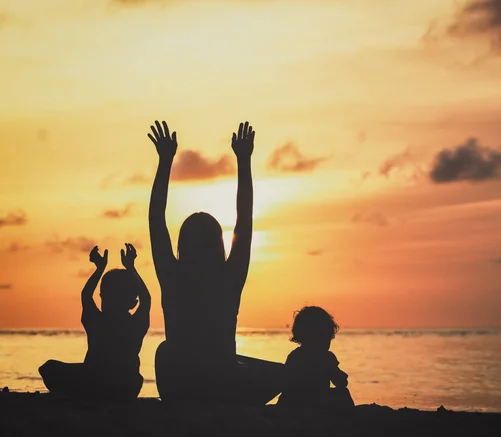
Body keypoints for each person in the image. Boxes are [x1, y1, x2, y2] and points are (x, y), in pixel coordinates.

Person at [148, 120, 283, 405]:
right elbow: (244, 222)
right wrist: (244, 161)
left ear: (182, 244)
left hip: (179, 386)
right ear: (217, 243)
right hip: (223, 385)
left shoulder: (171, 274)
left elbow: (155, 220)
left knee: (163, 350)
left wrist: (165, 161)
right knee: (281, 374)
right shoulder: (229, 276)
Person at [39, 243, 151, 400]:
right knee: (51, 368)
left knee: (49, 368)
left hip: (96, 382)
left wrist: (99, 269)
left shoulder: (97, 321)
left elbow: (86, 295)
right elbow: (146, 299)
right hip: (126, 386)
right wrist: (131, 268)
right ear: (133, 303)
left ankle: (79, 394)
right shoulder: (135, 324)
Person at [277, 306, 354, 409]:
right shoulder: (326, 358)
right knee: (343, 393)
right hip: (317, 402)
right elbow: (340, 382)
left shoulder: (294, 356)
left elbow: (285, 382)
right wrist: (342, 376)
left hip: (293, 403)